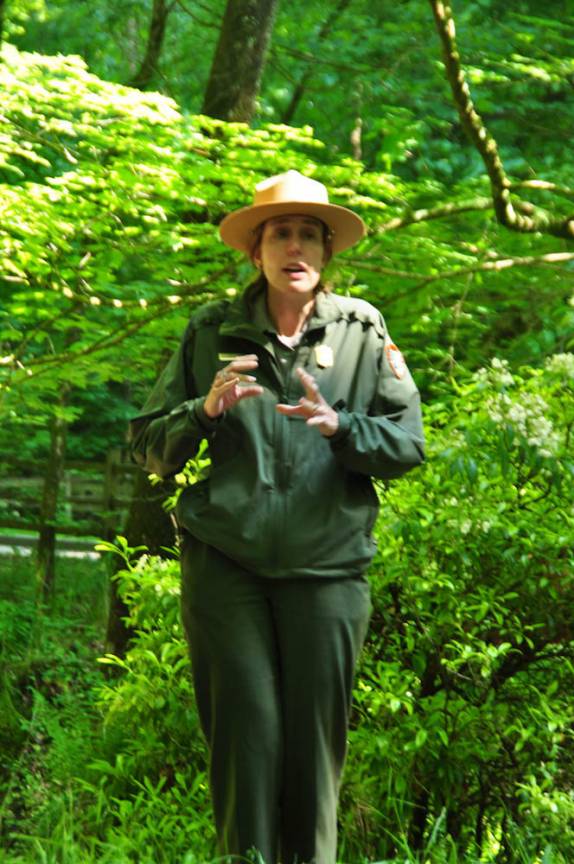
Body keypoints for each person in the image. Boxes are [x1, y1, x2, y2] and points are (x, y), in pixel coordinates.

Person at [129, 170, 425, 864]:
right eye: (279, 233)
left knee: (313, 760)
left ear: (326, 251)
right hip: (228, 568)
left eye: (308, 234)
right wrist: (202, 412)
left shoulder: (360, 330)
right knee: (247, 743)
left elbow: (407, 444)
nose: (294, 246)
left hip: (329, 570)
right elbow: (147, 448)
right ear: (255, 251)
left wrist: (340, 424)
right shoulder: (215, 332)